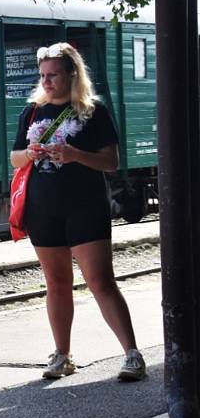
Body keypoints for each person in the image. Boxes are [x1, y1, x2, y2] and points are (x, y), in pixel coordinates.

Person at [10, 42, 146, 382]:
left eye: (53, 75)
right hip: (43, 208)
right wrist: (30, 152)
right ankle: (63, 355)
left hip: (84, 206)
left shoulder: (93, 112)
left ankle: (132, 354)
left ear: (73, 73)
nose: (47, 82)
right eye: (43, 76)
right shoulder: (30, 113)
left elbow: (111, 161)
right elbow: (14, 158)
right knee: (56, 283)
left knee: (100, 281)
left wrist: (74, 155)